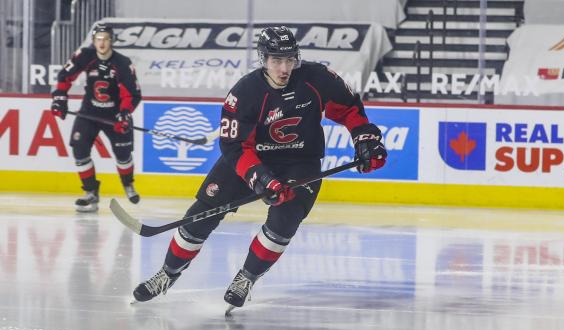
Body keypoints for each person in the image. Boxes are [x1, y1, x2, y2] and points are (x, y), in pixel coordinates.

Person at [132, 26, 387, 311]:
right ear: (263, 59)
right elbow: (234, 147)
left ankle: (246, 277)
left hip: (300, 163)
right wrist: (260, 179)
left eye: (290, 59)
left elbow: (351, 108)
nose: (284, 68)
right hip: (251, 159)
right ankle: (167, 274)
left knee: (285, 222)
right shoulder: (244, 93)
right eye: (276, 60)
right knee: (200, 216)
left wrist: (365, 138)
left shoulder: (317, 78)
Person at [51, 23, 142, 212]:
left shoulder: (123, 63)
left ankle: (127, 184)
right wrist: (60, 99)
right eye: (98, 39)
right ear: (93, 41)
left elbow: (132, 94)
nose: (102, 43)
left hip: (115, 115)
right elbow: (64, 76)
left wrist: (124, 113)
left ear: (112, 41)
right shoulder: (85, 55)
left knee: (123, 155)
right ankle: (91, 193)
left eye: (106, 39)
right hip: (89, 112)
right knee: (79, 148)